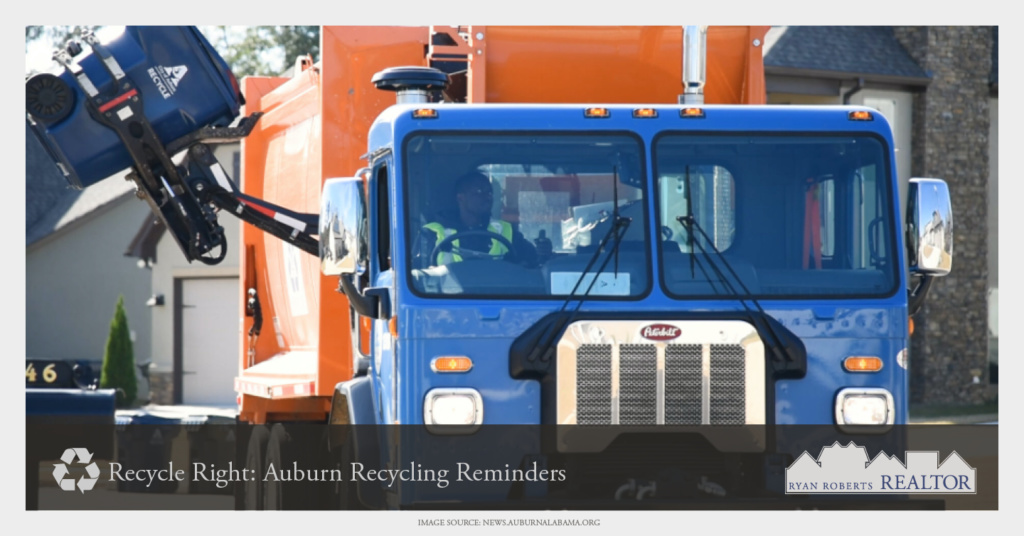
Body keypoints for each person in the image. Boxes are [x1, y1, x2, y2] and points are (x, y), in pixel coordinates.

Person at [413, 171, 537, 269]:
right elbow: (420, 276)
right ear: (461, 198)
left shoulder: (504, 230)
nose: (487, 197)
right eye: (479, 192)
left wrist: (543, 253)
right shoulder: (431, 232)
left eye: (489, 192)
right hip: (447, 300)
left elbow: (531, 262)